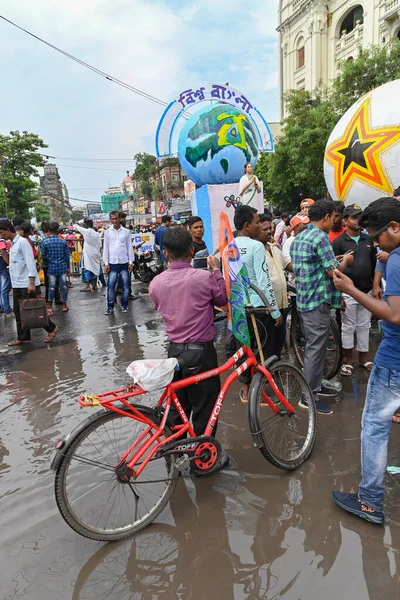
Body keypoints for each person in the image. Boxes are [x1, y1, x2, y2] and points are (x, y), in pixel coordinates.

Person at [331, 197, 400, 525]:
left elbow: (395, 315)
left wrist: (350, 289)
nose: (375, 243)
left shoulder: (398, 259)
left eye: (377, 236)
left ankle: (369, 501)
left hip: (394, 357)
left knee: (374, 426)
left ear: (395, 228)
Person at [149, 227, 229, 470]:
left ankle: (175, 453)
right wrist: (215, 269)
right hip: (201, 352)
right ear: (192, 251)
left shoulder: (155, 283)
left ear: (165, 254)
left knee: (177, 406)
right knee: (205, 406)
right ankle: (202, 461)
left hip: (173, 352)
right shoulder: (203, 278)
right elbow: (222, 300)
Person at [291, 199, 354, 414]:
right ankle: (308, 395)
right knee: (316, 350)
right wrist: (345, 261)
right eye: (334, 217)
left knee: (313, 346)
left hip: (306, 300)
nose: (335, 221)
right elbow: (333, 272)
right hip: (317, 301)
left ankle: (316, 385)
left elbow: (314, 266)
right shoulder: (320, 237)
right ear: (326, 217)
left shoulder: (301, 237)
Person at [234, 206, 282, 403]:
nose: (259, 226)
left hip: (237, 308)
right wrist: (275, 312)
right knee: (261, 350)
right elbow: (264, 283)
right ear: (247, 226)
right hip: (258, 309)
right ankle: (260, 393)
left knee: (243, 349)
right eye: (256, 222)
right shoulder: (256, 247)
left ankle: (246, 391)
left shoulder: (230, 246)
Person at [333, 204, 376, 376]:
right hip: (348, 292)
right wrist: (338, 295)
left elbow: (374, 265)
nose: (358, 220)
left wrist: (375, 285)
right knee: (348, 326)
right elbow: (334, 271)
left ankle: (363, 359)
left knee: (364, 325)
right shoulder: (338, 242)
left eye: (359, 216)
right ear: (345, 221)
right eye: (354, 217)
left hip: (366, 290)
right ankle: (348, 361)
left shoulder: (368, 240)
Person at [0, 219, 58, 345]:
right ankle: (23, 337)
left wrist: (31, 282)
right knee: (18, 311)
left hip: (26, 283)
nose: (1, 235)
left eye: (2, 232)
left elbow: (30, 263)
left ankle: (52, 328)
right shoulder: (13, 244)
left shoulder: (22, 243)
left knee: (33, 311)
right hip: (17, 284)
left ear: (8, 230)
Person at [257, 213, 292, 358]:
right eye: (264, 229)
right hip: (266, 308)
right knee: (267, 344)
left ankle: (276, 370)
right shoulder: (255, 251)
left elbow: (289, 265)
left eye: (270, 228)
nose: (269, 231)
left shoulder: (274, 248)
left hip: (282, 305)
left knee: (279, 340)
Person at [103, 210, 134, 315]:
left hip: (124, 263)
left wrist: (130, 262)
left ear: (120, 218)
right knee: (111, 286)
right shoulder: (107, 232)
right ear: (110, 220)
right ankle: (110, 306)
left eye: (116, 218)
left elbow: (129, 247)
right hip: (112, 264)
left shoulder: (126, 232)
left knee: (126, 286)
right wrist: (106, 263)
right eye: (112, 219)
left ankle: (124, 305)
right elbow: (105, 248)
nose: (115, 221)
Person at [41, 221, 70, 315]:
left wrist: (50, 260)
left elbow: (43, 256)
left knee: (51, 287)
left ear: (49, 230)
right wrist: (68, 267)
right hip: (62, 267)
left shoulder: (45, 242)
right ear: (58, 230)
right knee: (63, 287)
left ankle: (49, 306)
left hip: (52, 267)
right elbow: (67, 256)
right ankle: (64, 305)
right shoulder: (63, 241)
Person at [74, 219, 102, 291]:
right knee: (95, 269)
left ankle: (88, 286)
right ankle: (95, 285)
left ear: (86, 225)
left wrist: (80, 221)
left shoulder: (86, 232)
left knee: (87, 269)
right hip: (96, 253)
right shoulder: (97, 234)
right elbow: (100, 245)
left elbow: (75, 226)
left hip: (88, 253)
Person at [0, 231, 13, 316]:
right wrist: (9, 264)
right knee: (5, 288)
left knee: (1, 287)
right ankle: (7, 310)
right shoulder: (1, 240)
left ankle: (3, 307)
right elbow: (3, 252)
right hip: (2, 264)